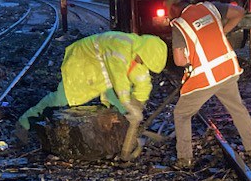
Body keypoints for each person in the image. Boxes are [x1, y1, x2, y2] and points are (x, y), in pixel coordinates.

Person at [16, 32, 167, 161]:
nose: (142, 64)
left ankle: (115, 141)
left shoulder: (138, 54)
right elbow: (119, 80)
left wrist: (138, 106)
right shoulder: (120, 47)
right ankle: (24, 123)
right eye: (143, 60)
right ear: (143, 51)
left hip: (104, 69)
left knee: (120, 108)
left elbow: (143, 82)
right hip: (83, 61)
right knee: (62, 98)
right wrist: (130, 106)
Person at [167, 0, 251, 169]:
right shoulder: (210, 7)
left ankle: (184, 159)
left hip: (205, 78)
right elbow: (239, 11)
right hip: (227, 70)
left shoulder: (179, 24)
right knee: (237, 108)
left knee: (181, 114)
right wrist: (221, 32)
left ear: (173, 9)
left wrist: (190, 55)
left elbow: (179, 60)